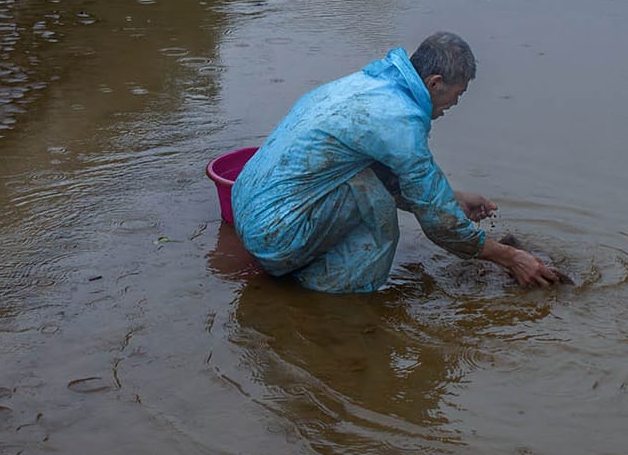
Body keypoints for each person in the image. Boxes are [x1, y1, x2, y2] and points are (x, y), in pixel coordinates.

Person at [232, 33, 563, 293]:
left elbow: (389, 175)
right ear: (434, 83)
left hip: (247, 210)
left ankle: (304, 265)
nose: (455, 104)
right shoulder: (400, 121)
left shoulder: (370, 84)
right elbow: (440, 224)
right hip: (275, 237)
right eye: (456, 94)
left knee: (367, 182)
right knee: (376, 207)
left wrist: (454, 198)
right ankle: (334, 296)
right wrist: (510, 257)